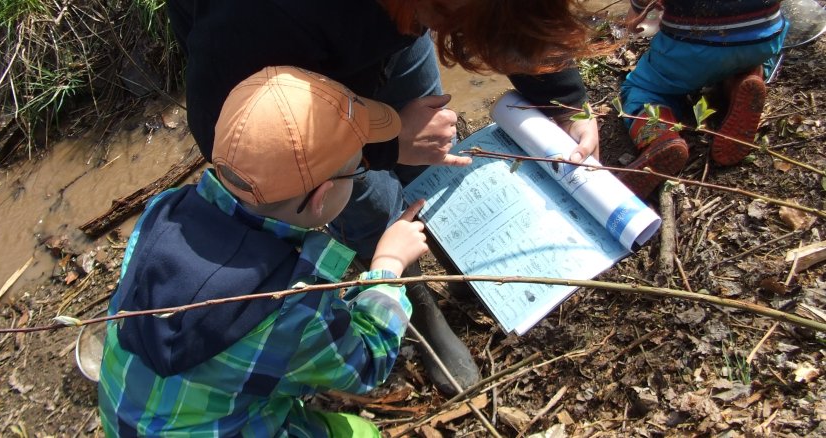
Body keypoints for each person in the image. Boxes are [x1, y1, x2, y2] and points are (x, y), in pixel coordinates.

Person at [166, 0, 600, 395]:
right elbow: (230, 137)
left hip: (382, 20)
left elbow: (511, 22)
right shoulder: (258, 23)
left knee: (426, 151)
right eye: (455, 24)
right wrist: (381, 146)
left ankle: (446, 248)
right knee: (370, 203)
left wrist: (565, 102)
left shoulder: (419, 14)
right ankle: (415, 305)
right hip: (281, 84)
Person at [98, 66, 430, 436]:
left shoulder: (163, 211)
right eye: (360, 168)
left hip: (124, 421)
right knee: (361, 433)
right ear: (322, 197)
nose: (361, 172)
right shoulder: (291, 303)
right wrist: (387, 266)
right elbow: (366, 364)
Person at [618, 0, 788, 198]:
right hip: (764, 37)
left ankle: (660, 137)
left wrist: (636, 16)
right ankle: (744, 79)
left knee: (642, 89)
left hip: (693, 47)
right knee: (753, 52)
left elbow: (637, 18)